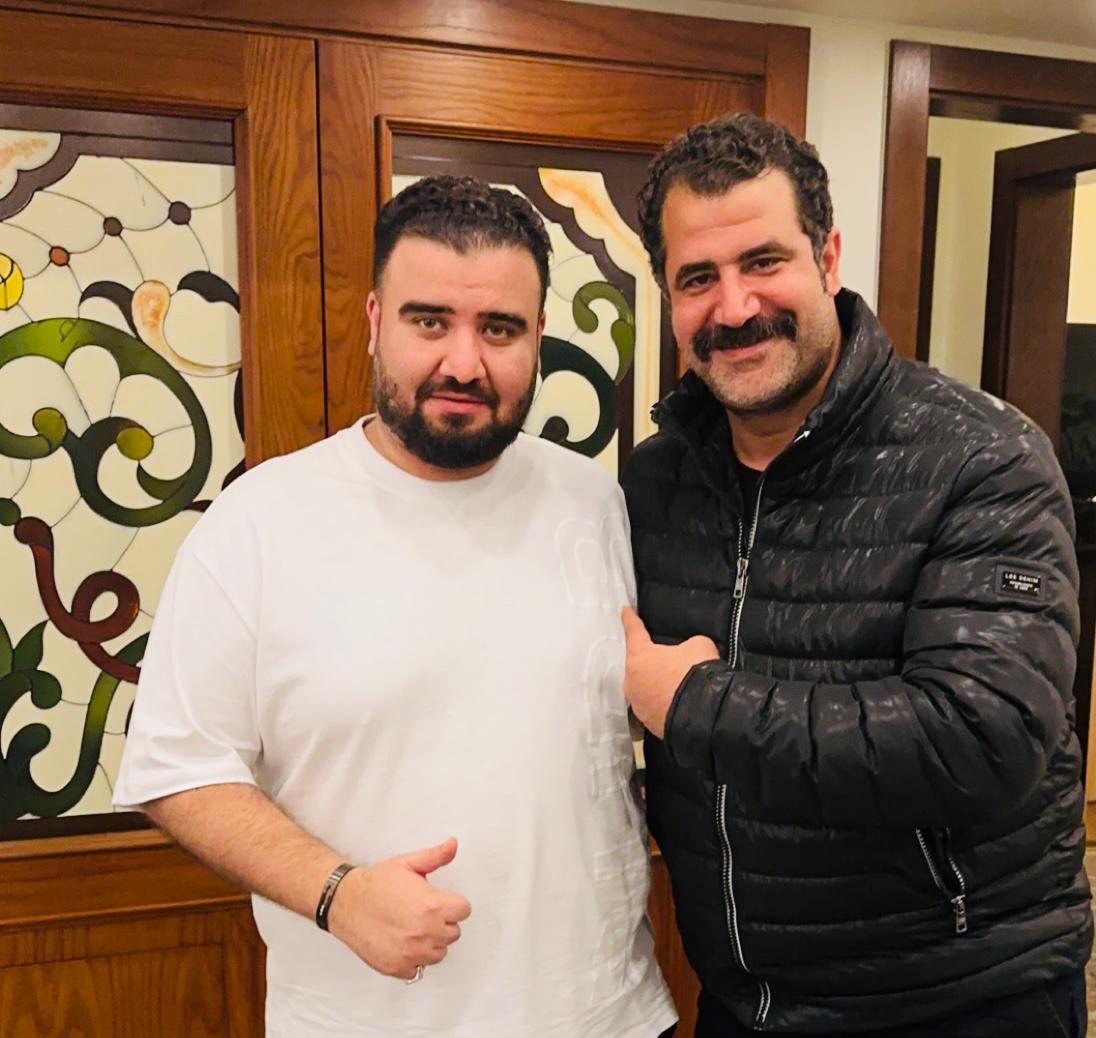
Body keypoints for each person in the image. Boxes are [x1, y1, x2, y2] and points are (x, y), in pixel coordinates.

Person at [114, 175, 676, 1038]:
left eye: (499, 328)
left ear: (538, 337)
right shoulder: (260, 522)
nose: (464, 363)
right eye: (430, 322)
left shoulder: (593, 500)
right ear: (377, 321)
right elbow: (177, 767)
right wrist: (335, 894)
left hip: (609, 1016)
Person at [619, 113, 1092, 1037]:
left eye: (764, 261)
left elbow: (984, 738)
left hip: (960, 1002)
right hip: (742, 1002)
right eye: (697, 278)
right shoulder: (656, 480)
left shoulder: (981, 458)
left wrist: (696, 703)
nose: (734, 307)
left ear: (828, 258)